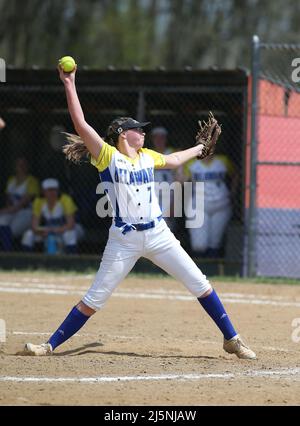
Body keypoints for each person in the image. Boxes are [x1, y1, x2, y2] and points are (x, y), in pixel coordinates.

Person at [23, 64, 256, 360]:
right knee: (95, 299)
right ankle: (50, 345)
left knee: (200, 284)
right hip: (124, 239)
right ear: (122, 134)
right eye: (137, 129)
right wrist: (69, 83)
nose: (142, 132)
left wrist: (198, 149)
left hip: (159, 234)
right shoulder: (107, 156)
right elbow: (81, 124)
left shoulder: (147, 156)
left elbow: (172, 160)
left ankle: (232, 339)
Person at [183, 154, 238, 258]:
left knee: (215, 243)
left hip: (221, 206)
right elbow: (181, 181)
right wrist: (180, 168)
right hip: (198, 206)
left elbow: (235, 174)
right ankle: (198, 269)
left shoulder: (223, 160)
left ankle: (212, 271)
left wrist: (232, 193)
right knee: (199, 245)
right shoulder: (192, 163)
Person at [22, 178, 83, 254]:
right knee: (28, 235)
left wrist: (53, 231)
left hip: (71, 229)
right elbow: (34, 226)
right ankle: (28, 260)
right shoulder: (39, 201)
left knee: (69, 235)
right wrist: (42, 232)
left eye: (54, 190)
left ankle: (72, 260)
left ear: (58, 190)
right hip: (48, 229)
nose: (52, 193)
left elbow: (70, 224)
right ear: (43, 191)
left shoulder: (65, 199)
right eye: (49, 190)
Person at [0, 157, 39, 251]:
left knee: (11, 230)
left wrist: (3, 211)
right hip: (12, 211)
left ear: (27, 167)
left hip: (27, 212)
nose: (21, 167)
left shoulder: (32, 181)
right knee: (2, 221)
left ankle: (8, 253)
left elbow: (20, 205)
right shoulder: (11, 180)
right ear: (15, 167)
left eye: (23, 165)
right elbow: (9, 201)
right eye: (19, 165)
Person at [151, 127, 177, 231]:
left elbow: (178, 179)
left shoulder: (173, 154)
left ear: (166, 139)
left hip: (168, 194)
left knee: (165, 226)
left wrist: (174, 202)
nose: (159, 141)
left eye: (161, 138)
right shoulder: (148, 154)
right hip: (152, 195)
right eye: (156, 138)